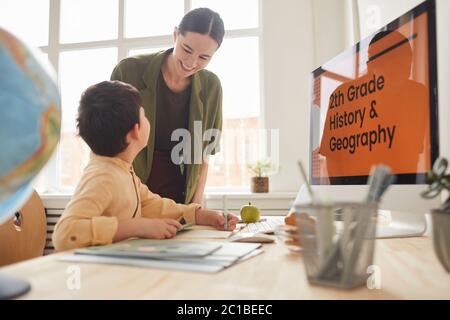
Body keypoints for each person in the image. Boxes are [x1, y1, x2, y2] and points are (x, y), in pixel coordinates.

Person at [52, 81, 238, 252]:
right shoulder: (103, 176)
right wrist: (138, 226)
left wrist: (202, 215)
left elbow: (156, 206)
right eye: (144, 115)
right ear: (135, 131)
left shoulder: (122, 171)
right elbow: (64, 234)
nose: (148, 120)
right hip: (99, 278)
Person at [111, 8, 224, 205]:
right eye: (187, 49)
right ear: (175, 35)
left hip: (180, 198)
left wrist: (195, 210)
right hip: (131, 193)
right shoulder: (128, 71)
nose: (191, 62)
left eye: (204, 57)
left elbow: (204, 156)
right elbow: (111, 146)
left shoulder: (211, 87)